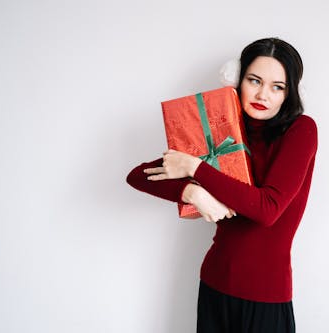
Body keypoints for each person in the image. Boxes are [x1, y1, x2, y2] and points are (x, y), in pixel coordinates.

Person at [126, 37, 318, 333]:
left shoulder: (301, 131)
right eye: (254, 81)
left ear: (289, 94)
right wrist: (191, 192)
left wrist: (195, 167)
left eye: (277, 87)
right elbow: (138, 175)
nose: (263, 94)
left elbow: (268, 210)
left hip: (266, 296)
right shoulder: (221, 130)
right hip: (215, 284)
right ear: (237, 79)